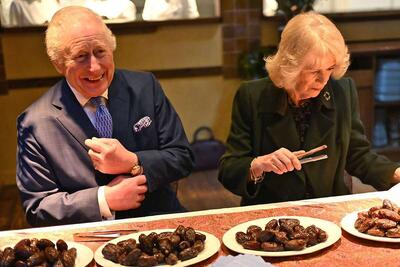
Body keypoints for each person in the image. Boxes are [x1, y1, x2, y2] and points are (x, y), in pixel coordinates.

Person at [16, 6, 194, 226]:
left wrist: (133, 162)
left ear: (112, 49)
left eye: (100, 52)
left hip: (160, 225)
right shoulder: (35, 122)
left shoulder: (145, 87)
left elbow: (183, 157)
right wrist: (103, 199)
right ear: (58, 63)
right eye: (81, 57)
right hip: (88, 237)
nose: (94, 67)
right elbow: (37, 208)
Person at [218, 12, 400, 206]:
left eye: (329, 68)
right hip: (272, 215)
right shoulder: (252, 96)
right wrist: (257, 165)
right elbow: (229, 168)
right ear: (291, 65)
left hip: (328, 210)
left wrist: (395, 173)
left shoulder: (342, 92)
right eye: (314, 71)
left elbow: (357, 155)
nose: (323, 80)